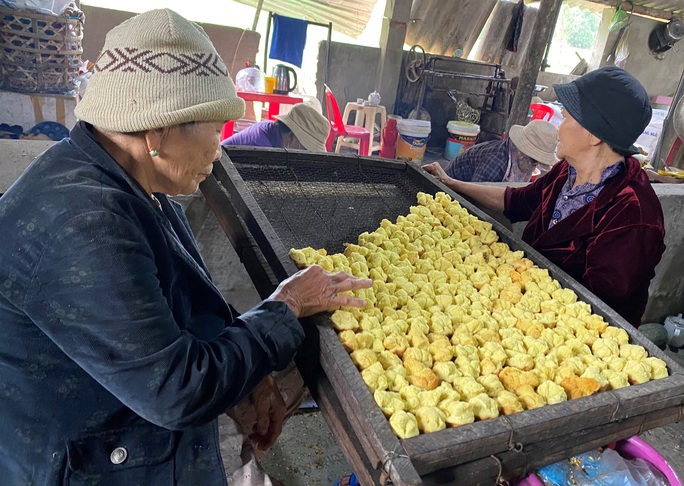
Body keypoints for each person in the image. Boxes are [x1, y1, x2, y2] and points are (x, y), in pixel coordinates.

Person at [0, 9, 372, 485]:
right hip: (77, 459)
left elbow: (185, 302)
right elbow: (176, 390)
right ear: (157, 132)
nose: (220, 148)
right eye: (215, 130)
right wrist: (286, 305)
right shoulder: (84, 222)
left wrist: (252, 377)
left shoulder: (133, 182)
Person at [424, 66, 665, 327]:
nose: (559, 128)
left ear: (593, 134)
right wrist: (452, 184)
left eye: (566, 117)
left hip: (570, 334)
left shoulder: (633, 214)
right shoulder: (567, 171)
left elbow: (594, 311)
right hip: (525, 302)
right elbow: (516, 202)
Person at [443, 119, 558, 182]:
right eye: (534, 161)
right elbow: (477, 196)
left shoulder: (516, 158)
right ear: (522, 152)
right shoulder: (496, 160)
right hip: (449, 190)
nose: (534, 166)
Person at [222, 103, 330, 152]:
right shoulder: (261, 146)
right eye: (305, 148)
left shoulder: (271, 129)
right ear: (291, 136)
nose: (305, 153)